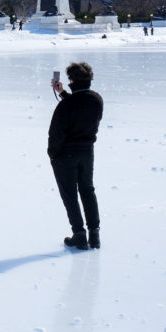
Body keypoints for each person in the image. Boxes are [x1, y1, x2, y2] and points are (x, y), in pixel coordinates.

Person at [48, 62, 104, 250]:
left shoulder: (66, 106)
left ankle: (79, 235)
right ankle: (94, 235)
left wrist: (53, 155)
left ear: (71, 80)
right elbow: (80, 107)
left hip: (65, 155)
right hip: (87, 152)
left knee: (70, 195)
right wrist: (63, 94)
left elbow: (56, 133)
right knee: (88, 191)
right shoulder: (96, 99)